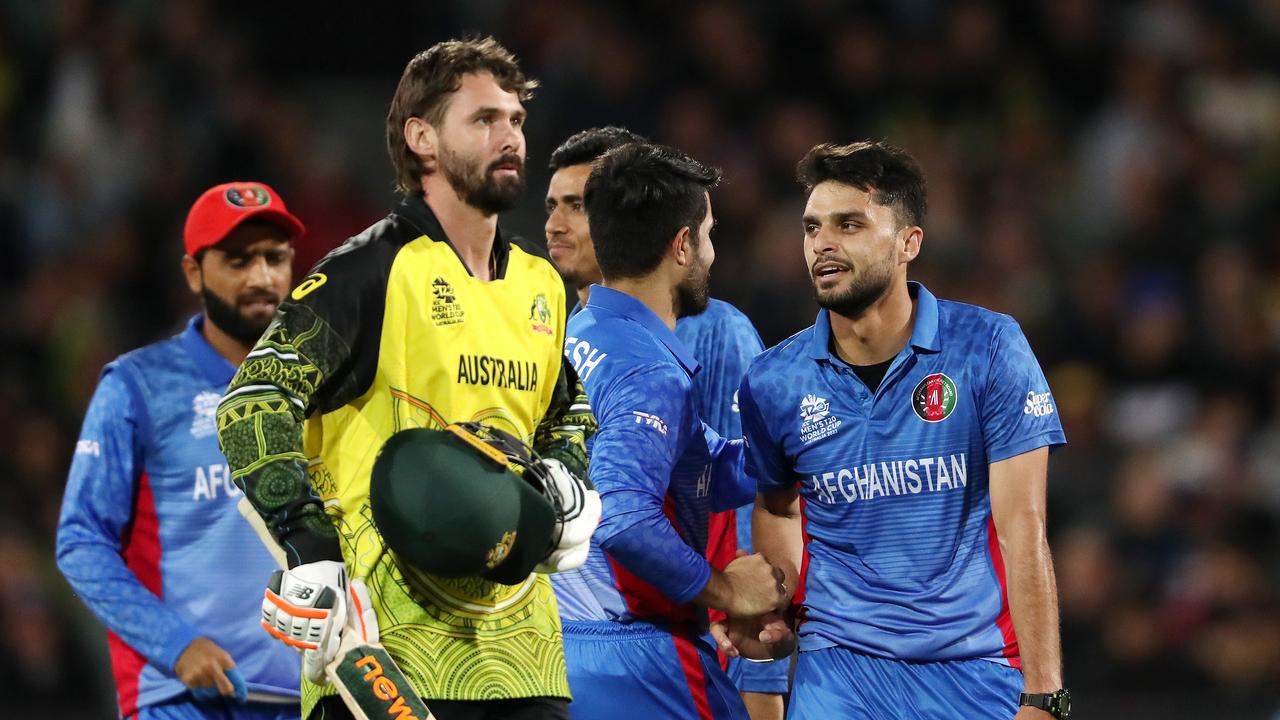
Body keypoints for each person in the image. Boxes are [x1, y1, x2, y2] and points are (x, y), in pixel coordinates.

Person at [215, 37, 594, 720]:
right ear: (422, 138)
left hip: (525, 656)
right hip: (381, 656)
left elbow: (566, 410)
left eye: (515, 120)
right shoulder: (369, 271)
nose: (509, 136)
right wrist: (307, 546)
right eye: (483, 120)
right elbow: (253, 401)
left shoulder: (544, 284)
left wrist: (569, 481)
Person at [725, 141, 1071, 719]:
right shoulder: (772, 381)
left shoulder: (988, 348)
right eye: (812, 228)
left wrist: (1045, 694)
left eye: (849, 224)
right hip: (838, 671)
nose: (822, 244)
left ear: (909, 242)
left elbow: (1023, 525)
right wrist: (777, 610)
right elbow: (778, 507)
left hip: (974, 667)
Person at [546, 127, 787, 719]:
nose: (710, 253)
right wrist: (729, 591)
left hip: (554, 648)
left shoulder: (572, 338)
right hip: (636, 658)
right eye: (707, 236)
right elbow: (625, 518)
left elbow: (700, 466)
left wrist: (810, 446)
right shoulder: (648, 368)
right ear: (682, 246)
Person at [56, 181, 305, 719]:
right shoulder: (136, 386)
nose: (262, 277)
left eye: (274, 258)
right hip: (182, 700)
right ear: (193, 272)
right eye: (238, 261)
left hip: (308, 698)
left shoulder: (324, 386)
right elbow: (80, 540)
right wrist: (175, 645)